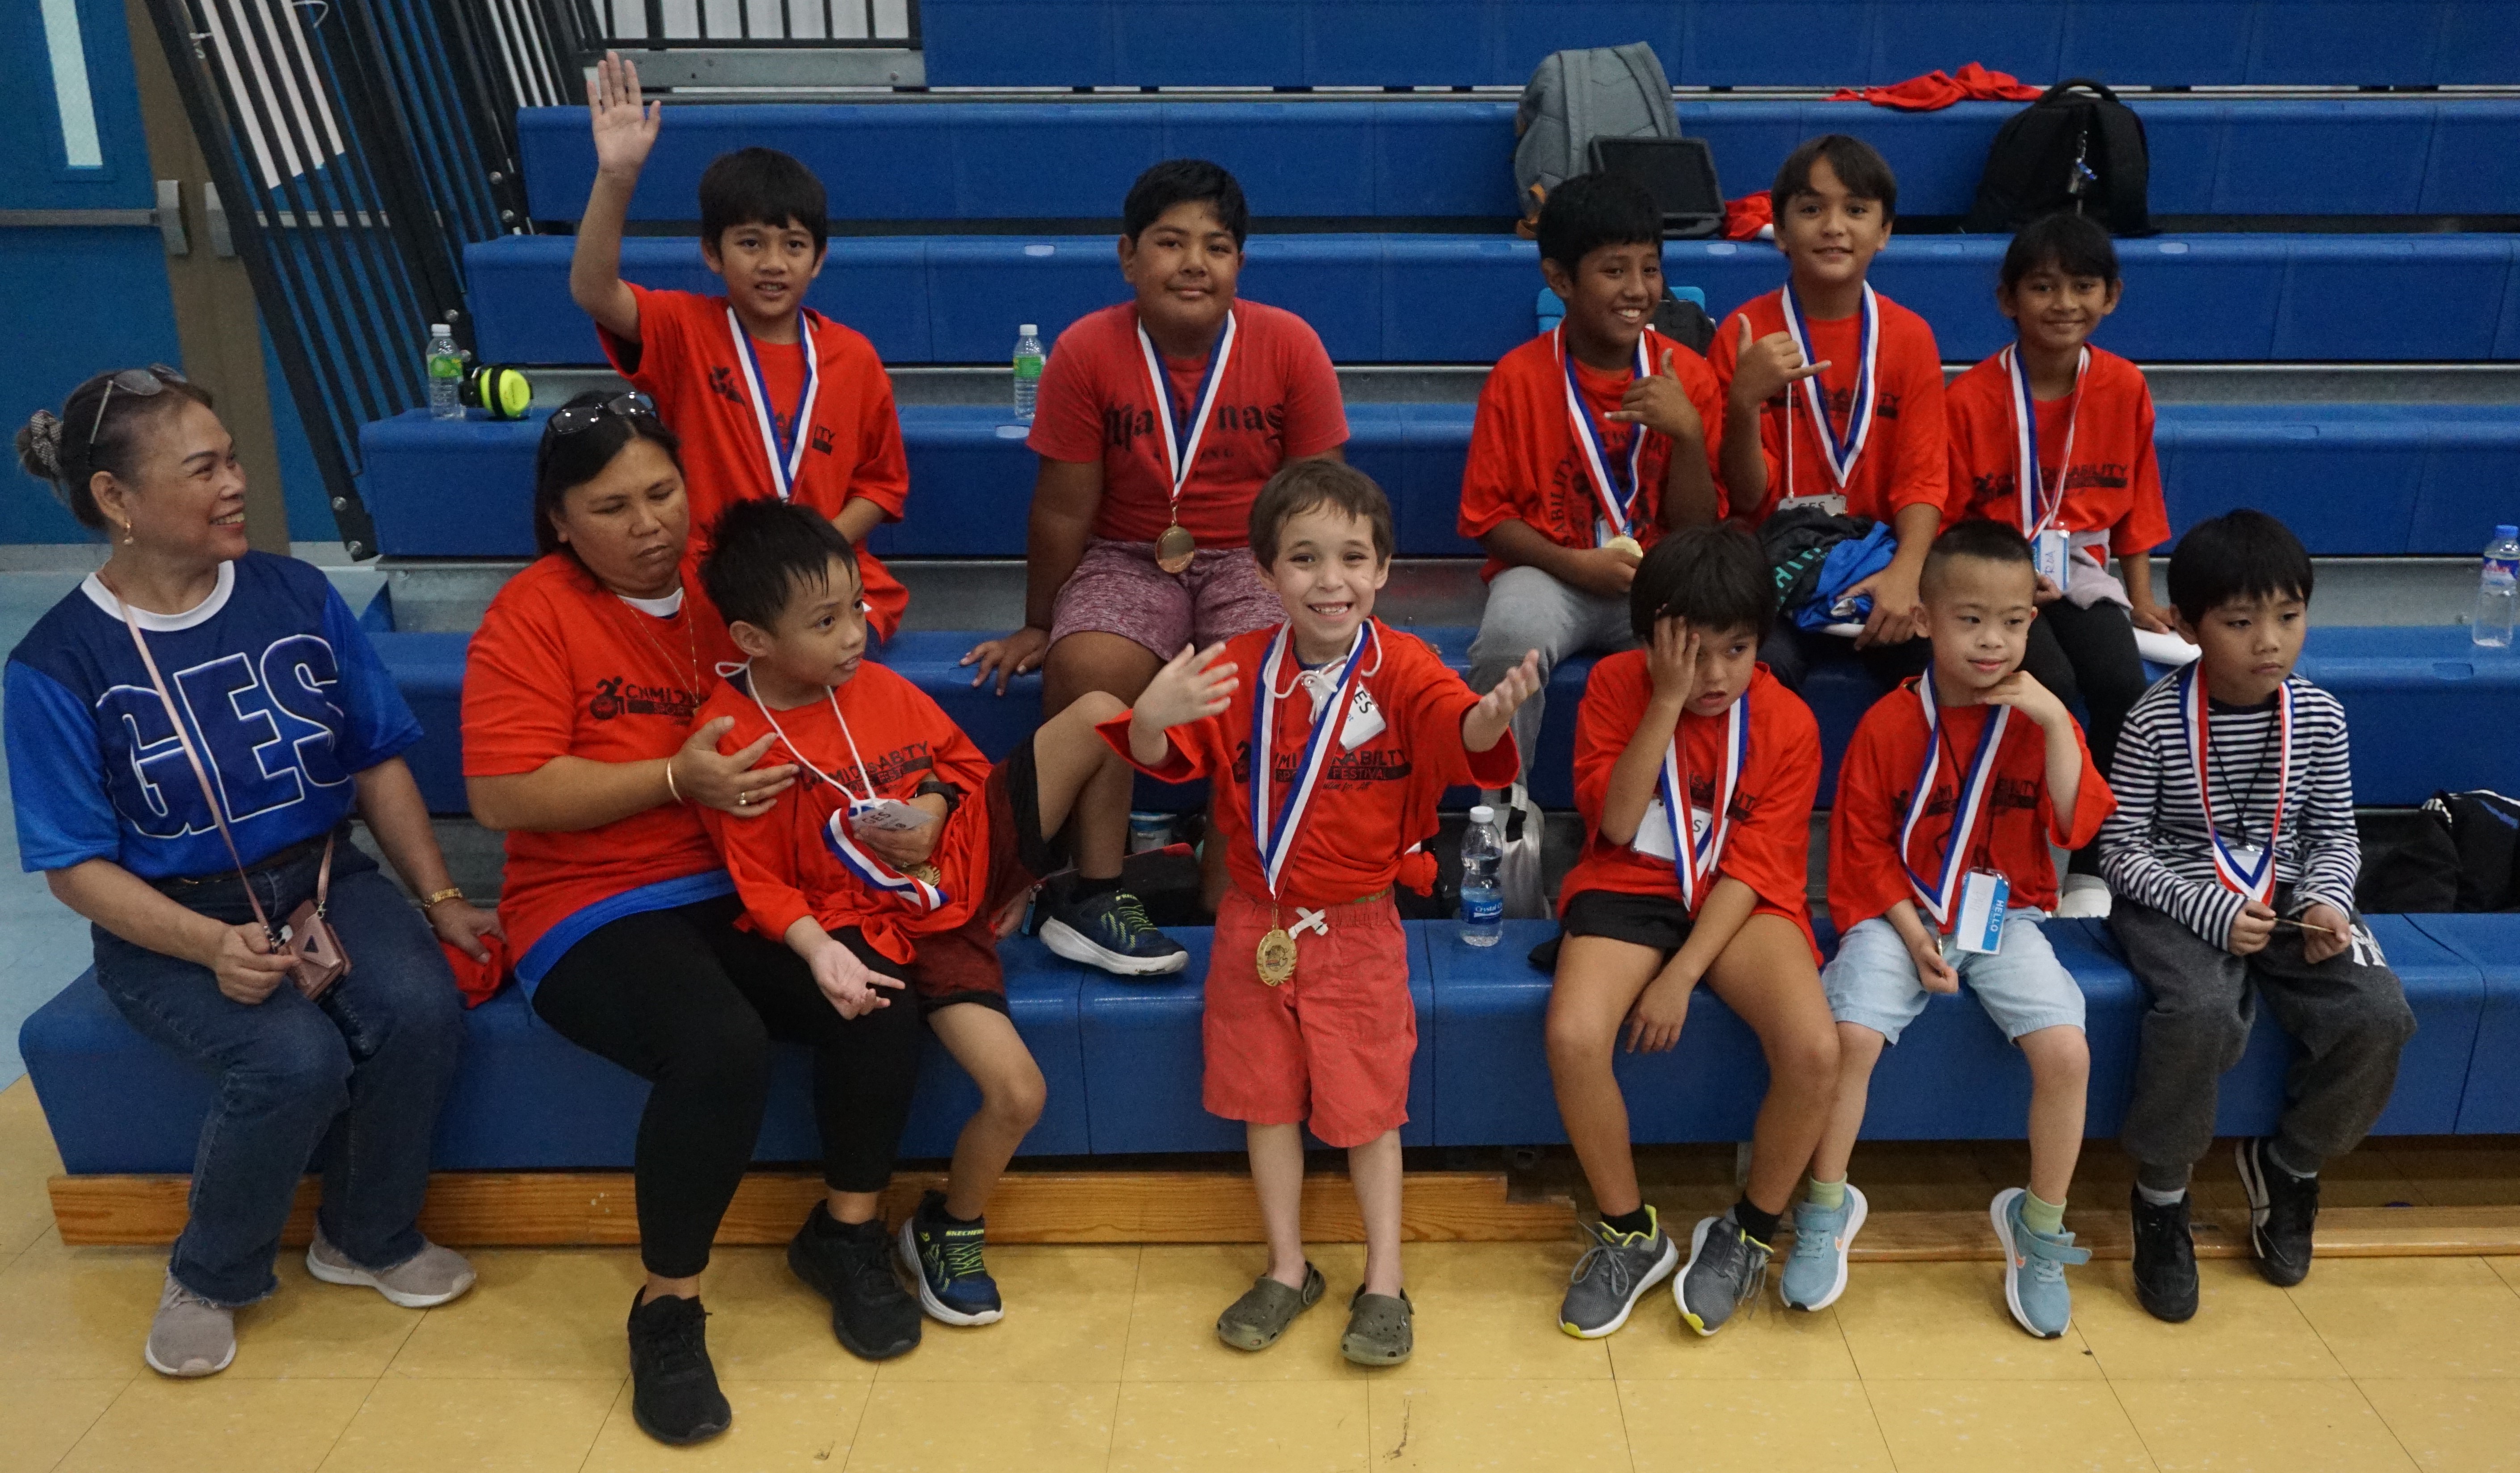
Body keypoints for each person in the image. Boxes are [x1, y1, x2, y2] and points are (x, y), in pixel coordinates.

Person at [6, 368, 494, 1378]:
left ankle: (366, 1236)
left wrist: (438, 897)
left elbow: (376, 757)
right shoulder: (55, 665)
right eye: (204, 468)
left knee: (419, 1010)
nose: (236, 483)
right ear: (116, 501)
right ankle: (211, 1271)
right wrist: (206, 945)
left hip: (324, 880)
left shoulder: (296, 591)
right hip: (168, 922)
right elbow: (74, 868)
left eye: (232, 458)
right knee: (291, 1061)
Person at [462, 393, 927, 1447]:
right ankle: (667, 1308)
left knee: (879, 990)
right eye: (611, 504)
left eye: (663, 491)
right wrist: (675, 778)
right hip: (590, 907)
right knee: (718, 1044)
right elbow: (500, 794)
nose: (648, 523)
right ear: (558, 522)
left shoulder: (734, 583)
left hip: (745, 884)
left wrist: (923, 790)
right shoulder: (531, 614)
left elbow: (845, 624)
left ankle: (844, 1237)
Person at [1105, 460, 1535, 1367]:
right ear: (1265, 573)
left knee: (1369, 1113)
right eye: (1302, 558)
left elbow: (1461, 734)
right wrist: (1149, 714)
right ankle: (1287, 1265)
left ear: (1383, 570)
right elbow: (1156, 751)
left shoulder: (1407, 667)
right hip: (1253, 926)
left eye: (1350, 557)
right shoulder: (1232, 670)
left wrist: (1491, 721)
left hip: (1360, 925)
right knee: (1265, 1106)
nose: (1328, 579)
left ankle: (1383, 1279)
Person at [692, 498, 1153, 1329]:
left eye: (856, 609)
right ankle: (945, 1223)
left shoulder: (879, 689)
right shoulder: (731, 742)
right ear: (754, 640)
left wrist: (939, 808)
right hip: (873, 928)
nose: (852, 634)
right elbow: (759, 883)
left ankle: (1071, 893)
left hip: (954, 875)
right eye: (825, 621)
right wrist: (815, 950)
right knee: (1017, 1092)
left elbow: (966, 767)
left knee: (1098, 712)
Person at [962, 158, 1349, 923]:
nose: (1194, 263)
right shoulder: (1084, 349)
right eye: (1171, 243)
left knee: (1275, 672)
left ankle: (1230, 885)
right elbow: (1064, 508)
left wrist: (1321, 597)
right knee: (1088, 665)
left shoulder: (1289, 344)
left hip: (1252, 557)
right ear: (1128, 256)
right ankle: (1097, 890)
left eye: (1216, 245)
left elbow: (1317, 503)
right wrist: (1043, 620)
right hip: (1126, 553)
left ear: (1239, 261)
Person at [1794, 521, 2112, 1338]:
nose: (1991, 640)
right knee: (1850, 1039)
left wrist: (2049, 723)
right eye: (1970, 619)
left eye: (2011, 621)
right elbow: (1860, 847)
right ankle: (1825, 1205)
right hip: (1898, 913)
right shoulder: (1888, 725)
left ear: (2032, 622)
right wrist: (1908, 932)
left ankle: (2037, 1228)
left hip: (2003, 917)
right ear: (1927, 618)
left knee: (2067, 1051)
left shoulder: (2041, 719)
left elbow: (2078, 825)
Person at [2099, 510, 2415, 1323]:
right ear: (2189, 626)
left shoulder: (2317, 715)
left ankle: (2289, 1167)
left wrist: (2326, 899)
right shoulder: (2151, 720)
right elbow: (2119, 849)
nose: (2268, 641)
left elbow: (2332, 831)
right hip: (2174, 902)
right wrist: (2207, 908)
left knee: (2377, 1012)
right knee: (2200, 1009)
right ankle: (2160, 1197)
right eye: (2240, 623)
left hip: (2286, 900)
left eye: (2287, 616)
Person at [1541, 525, 1838, 1341]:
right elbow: (1617, 819)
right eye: (1691, 653)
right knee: (1571, 1033)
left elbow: (1751, 868)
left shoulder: (1788, 722)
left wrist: (1679, 976)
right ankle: (1629, 1233)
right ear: (1651, 642)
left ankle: (1745, 1231)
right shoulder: (1614, 685)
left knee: (1815, 1048)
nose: (1714, 675)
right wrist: (1663, 702)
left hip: (1737, 898)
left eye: (1735, 650)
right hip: (1627, 879)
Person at [569, 53, 916, 640]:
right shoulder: (684, 328)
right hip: (713, 577)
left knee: (823, 638)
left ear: (819, 259)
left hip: (827, 573)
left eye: (794, 245)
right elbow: (594, 290)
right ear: (712, 253)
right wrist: (617, 177)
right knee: (740, 642)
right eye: (750, 243)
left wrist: (812, 550)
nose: (773, 263)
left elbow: (880, 486)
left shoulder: (853, 357)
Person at [1459, 172, 1726, 781]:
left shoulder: (1687, 374)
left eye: (1649, 268)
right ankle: (1501, 812)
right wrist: (1573, 564)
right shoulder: (1518, 378)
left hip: (1659, 574)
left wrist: (1685, 434)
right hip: (1551, 571)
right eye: (1613, 270)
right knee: (1508, 638)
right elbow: (1488, 519)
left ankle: (1666, 821)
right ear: (1559, 280)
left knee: (1700, 650)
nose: (1637, 289)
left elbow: (1698, 528)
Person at [1944, 210, 2171, 916]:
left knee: (2116, 684)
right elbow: (1949, 518)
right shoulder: (1970, 396)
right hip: (1992, 565)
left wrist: (2138, 595)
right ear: (2006, 298)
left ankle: (2095, 861)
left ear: (2111, 296)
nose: (2063, 304)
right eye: (2041, 287)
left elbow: (2136, 500)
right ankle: (2016, 846)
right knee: (2049, 678)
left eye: (2082, 286)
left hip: (2080, 563)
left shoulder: (2124, 386)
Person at [1708, 134, 1947, 693]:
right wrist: (1743, 403)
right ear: (1782, 231)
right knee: (1762, 667)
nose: (1833, 226)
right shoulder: (1745, 333)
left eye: (1856, 210)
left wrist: (1904, 575)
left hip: (1873, 561)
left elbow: (1922, 479)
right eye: (1811, 209)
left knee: (1938, 660)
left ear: (1884, 232)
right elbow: (1744, 498)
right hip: (1767, 566)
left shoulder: (1909, 338)